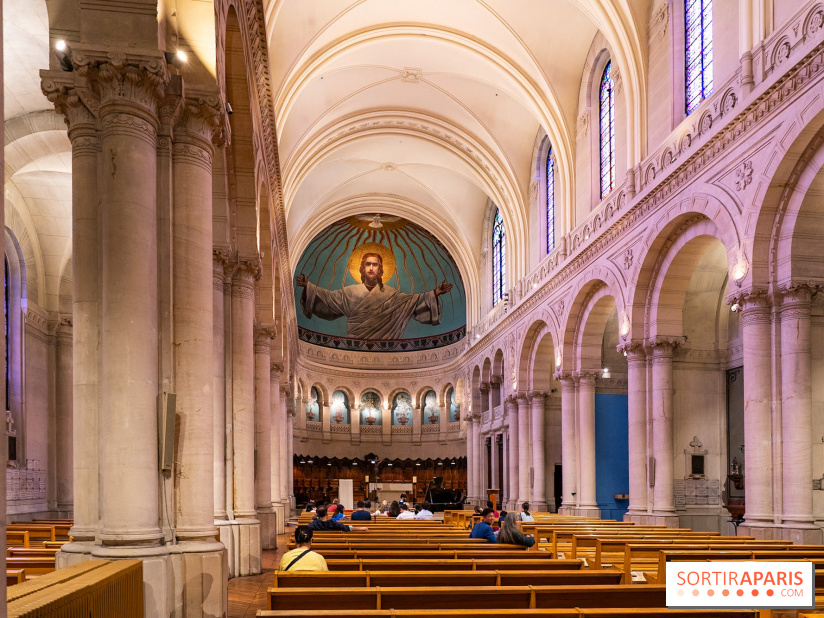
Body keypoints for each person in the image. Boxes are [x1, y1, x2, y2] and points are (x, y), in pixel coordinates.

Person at [297, 252, 453, 340]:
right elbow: (328, 299)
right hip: (353, 347)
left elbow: (413, 302)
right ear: (362, 268)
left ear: (380, 269)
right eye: (368, 264)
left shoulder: (393, 295)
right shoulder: (349, 292)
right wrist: (308, 287)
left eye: (375, 264)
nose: (371, 268)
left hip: (388, 352)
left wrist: (436, 293)